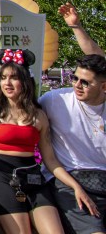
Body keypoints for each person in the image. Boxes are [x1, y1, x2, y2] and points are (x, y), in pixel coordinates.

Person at [0, 49, 97, 234]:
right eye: (3, 77)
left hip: (33, 176)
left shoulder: (39, 115)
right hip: (1, 176)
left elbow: (51, 161)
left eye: (13, 77)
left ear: (25, 81)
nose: (7, 82)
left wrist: (76, 186)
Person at [39, 52, 106, 234]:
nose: (77, 85)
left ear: (104, 86)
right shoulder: (55, 100)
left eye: (85, 82)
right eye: (74, 78)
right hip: (69, 179)